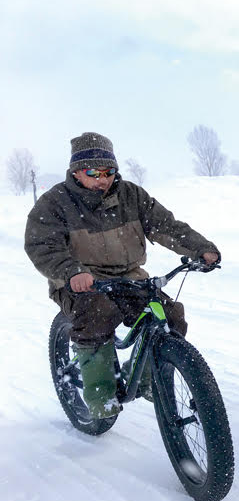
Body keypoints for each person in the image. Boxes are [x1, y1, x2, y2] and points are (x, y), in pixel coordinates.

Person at [25, 132, 221, 419]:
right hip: (77, 280)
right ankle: (101, 396)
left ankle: (148, 376)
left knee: (170, 315)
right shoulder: (54, 203)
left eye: (108, 172)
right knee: (96, 313)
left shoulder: (131, 195)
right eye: (93, 172)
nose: (102, 179)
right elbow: (41, 245)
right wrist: (72, 272)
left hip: (129, 275)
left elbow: (167, 226)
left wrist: (201, 249)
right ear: (76, 171)